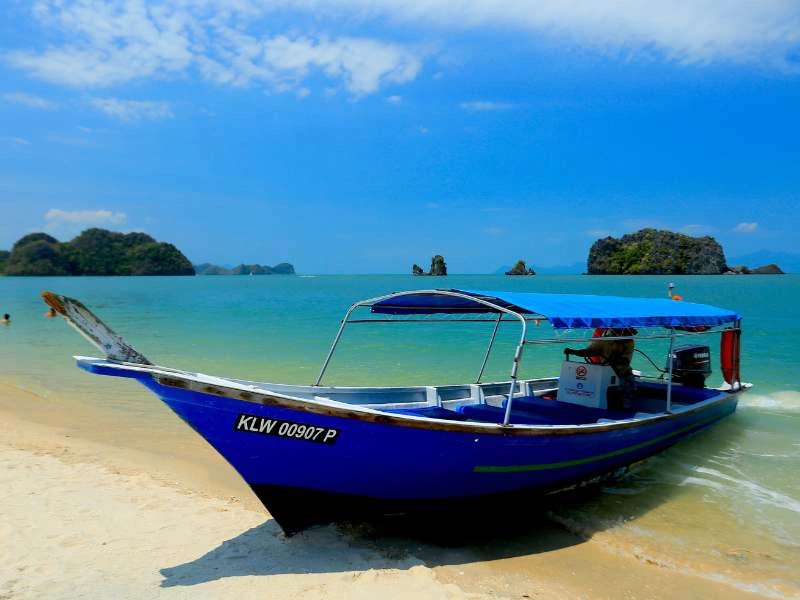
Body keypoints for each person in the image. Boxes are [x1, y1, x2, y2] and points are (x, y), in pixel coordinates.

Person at [564, 327, 637, 407]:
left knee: (626, 385)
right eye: (613, 331)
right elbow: (588, 351)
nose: (612, 333)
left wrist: (614, 359)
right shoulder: (604, 341)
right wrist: (573, 352)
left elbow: (626, 361)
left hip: (622, 372)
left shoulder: (629, 342)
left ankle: (624, 407)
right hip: (604, 372)